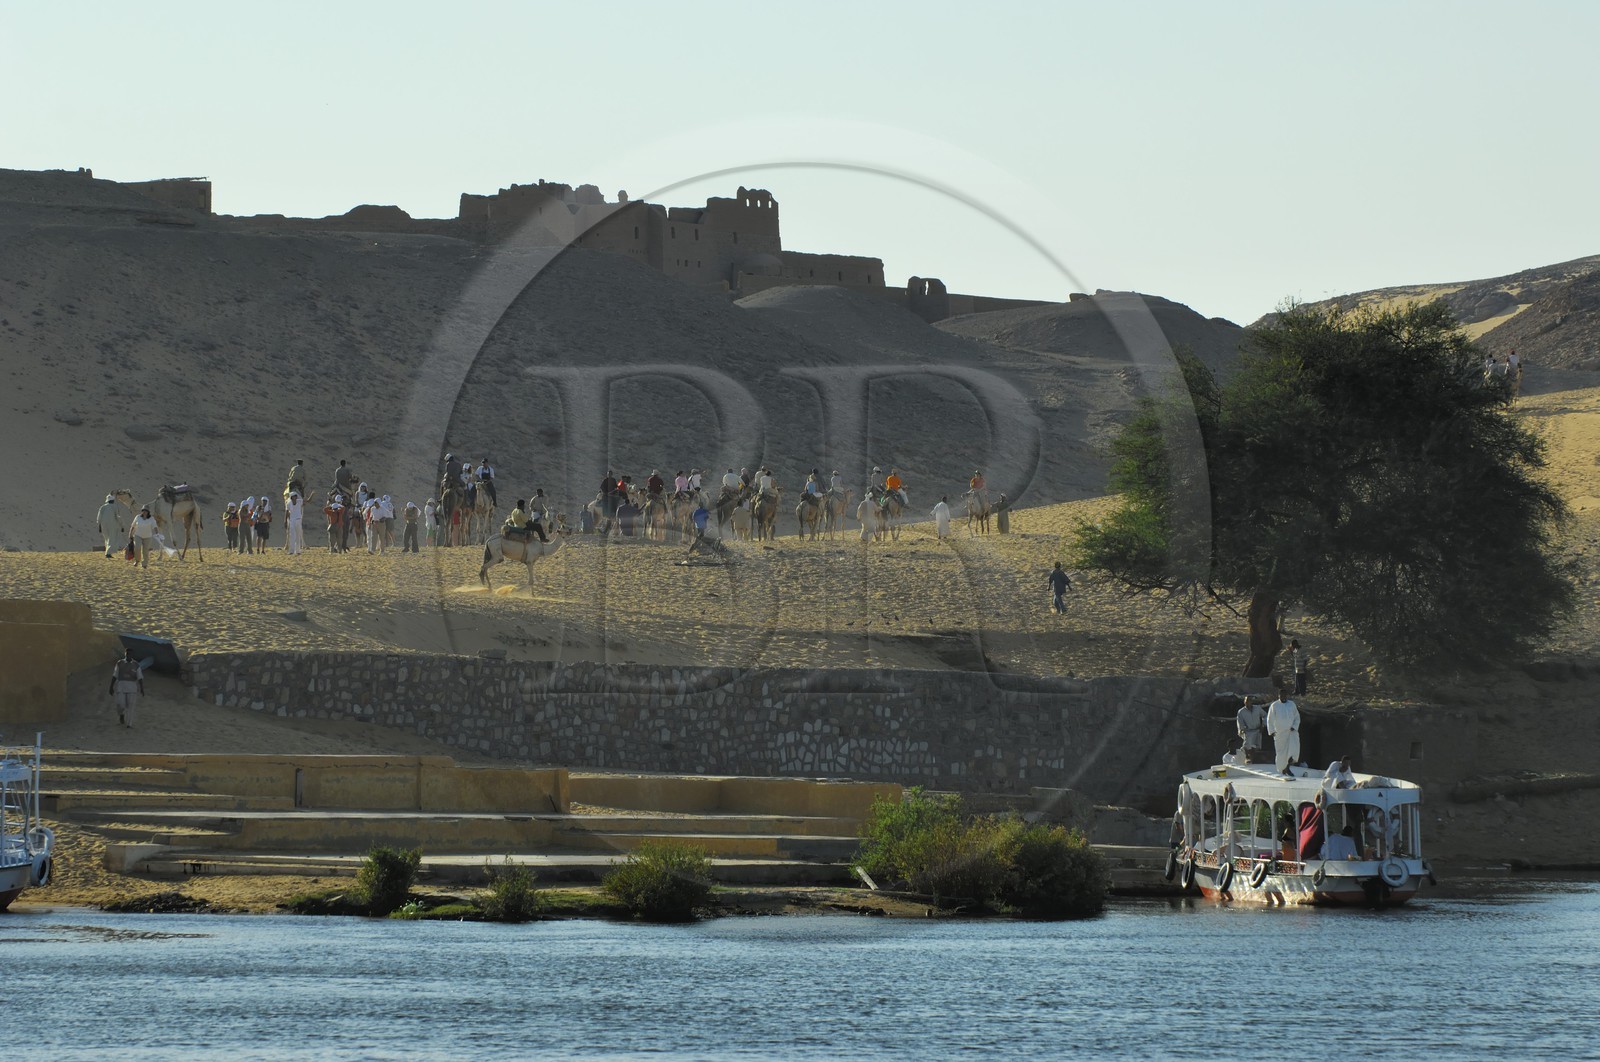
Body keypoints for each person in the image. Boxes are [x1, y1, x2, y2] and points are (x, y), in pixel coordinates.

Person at [1266, 687, 1301, 774]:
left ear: (1286, 695)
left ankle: (1287, 768)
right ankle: (1282, 770)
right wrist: (1271, 731)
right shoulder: (1274, 705)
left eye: (1284, 695)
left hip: (1291, 732)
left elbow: (1297, 717)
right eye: (1281, 695)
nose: (1283, 697)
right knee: (1281, 754)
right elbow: (1270, 719)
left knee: (1293, 751)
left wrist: (1294, 726)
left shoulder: (1292, 704)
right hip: (1280, 734)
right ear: (1278, 696)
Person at [108, 647, 144, 727]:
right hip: (121, 686)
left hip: (132, 687)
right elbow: (115, 675)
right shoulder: (119, 663)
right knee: (120, 704)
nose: (128, 655)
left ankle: (129, 724)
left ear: (132, 655)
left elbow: (140, 677)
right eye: (127, 653)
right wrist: (111, 686)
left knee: (131, 706)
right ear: (125, 654)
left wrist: (142, 688)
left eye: (130, 654)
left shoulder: (136, 665)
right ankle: (121, 714)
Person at [285, 491, 304, 555]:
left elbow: (307, 501)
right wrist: (285, 520)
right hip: (292, 520)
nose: (295, 497)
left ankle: (298, 551)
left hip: (298, 519)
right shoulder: (288, 503)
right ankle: (291, 551)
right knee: (292, 535)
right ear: (291, 497)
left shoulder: (299, 501)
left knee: (298, 535)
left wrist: (311, 495)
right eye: (294, 496)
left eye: (295, 496)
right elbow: (286, 512)